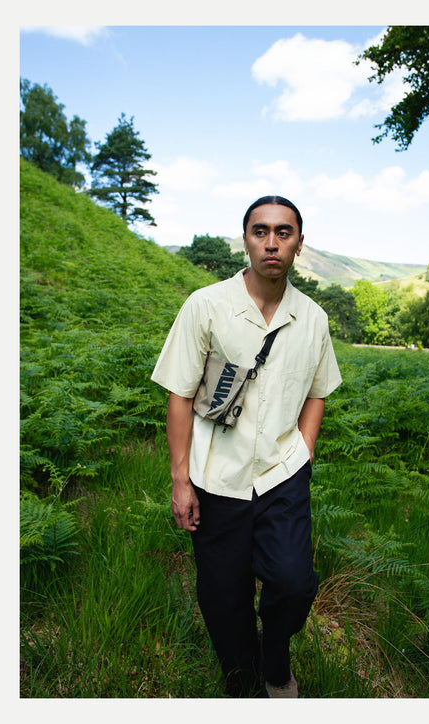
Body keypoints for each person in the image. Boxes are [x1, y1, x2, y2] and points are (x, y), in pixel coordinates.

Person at [152, 196, 342, 696]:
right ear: (246, 240)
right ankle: (242, 686)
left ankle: (275, 661)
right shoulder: (206, 306)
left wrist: (305, 450)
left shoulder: (314, 319)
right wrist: (180, 480)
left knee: (294, 583)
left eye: (284, 232)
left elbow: (318, 392)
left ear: (300, 243)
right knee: (223, 596)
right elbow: (179, 393)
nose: (272, 243)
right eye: (261, 232)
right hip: (217, 475)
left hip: (282, 473)